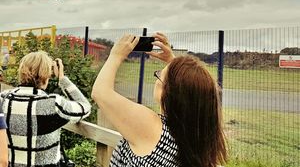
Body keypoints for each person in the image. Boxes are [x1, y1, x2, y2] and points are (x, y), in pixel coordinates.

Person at [92, 32, 227, 167]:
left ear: (169, 92)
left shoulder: (151, 127)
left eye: (160, 75)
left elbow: (100, 93)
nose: (156, 79)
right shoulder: (198, 137)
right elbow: (189, 89)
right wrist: (174, 62)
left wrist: (116, 55)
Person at [0, 51, 91, 167]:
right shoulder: (53, 104)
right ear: (47, 75)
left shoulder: (3, 98)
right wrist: (62, 79)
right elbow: (85, 106)